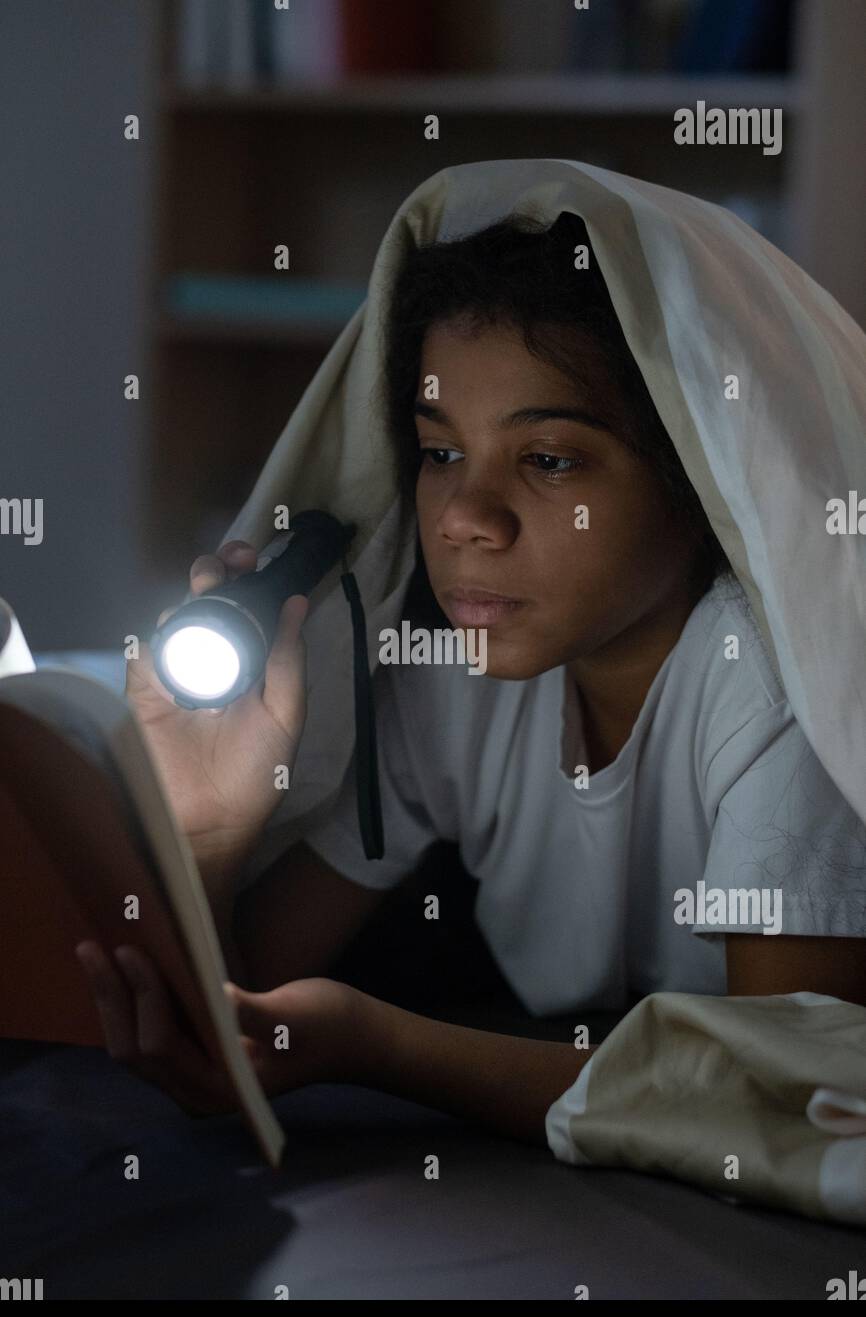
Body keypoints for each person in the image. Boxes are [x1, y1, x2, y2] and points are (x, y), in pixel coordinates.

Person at [75, 194, 866, 1155]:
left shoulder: (783, 683)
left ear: (705, 479)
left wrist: (381, 1047)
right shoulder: (449, 678)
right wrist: (206, 834)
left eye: (548, 459)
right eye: (441, 450)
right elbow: (240, 1008)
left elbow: (786, 1091)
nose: (464, 518)